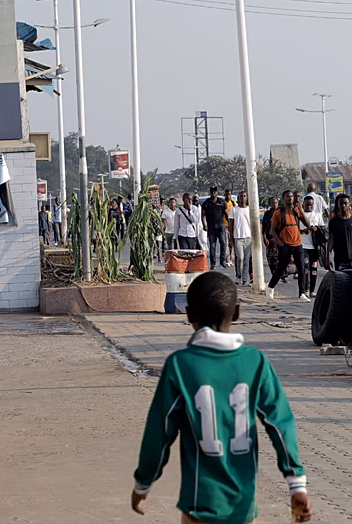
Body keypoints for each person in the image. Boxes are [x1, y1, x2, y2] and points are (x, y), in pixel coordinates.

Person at [130, 272, 313, 524]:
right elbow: (280, 425)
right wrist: (296, 485)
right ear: (238, 312)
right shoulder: (255, 362)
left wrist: (143, 482)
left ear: (189, 314)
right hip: (243, 505)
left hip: (199, 504)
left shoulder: (180, 365)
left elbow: (159, 432)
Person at [267, 191, 312, 302]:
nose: (291, 198)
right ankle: (270, 287)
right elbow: (272, 231)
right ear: (283, 198)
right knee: (281, 268)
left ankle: (301, 293)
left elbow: (308, 224)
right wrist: (280, 244)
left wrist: (301, 210)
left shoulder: (297, 211)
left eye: (292, 196)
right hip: (285, 245)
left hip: (297, 244)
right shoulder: (279, 212)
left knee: (301, 269)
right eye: (288, 197)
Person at [325, 193, 352, 271]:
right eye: (341, 203)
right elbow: (331, 240)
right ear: (338, 205)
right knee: (340, 282)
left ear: (349, 204)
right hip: (340, 261)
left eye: (345, 203)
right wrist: (328, 258)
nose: (343, 206)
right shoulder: (334, 221)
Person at [300, 195, 326, 298]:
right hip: (303, 245)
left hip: (315, 246)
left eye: (311, 205)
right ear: (303, 204)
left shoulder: (317, 215)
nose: (309, 207)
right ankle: (306, 289)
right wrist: (303, 231)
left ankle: (312, 290)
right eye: (307, 205)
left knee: (313, 269)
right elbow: (295, 230)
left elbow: (323, 229)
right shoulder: (300, 215)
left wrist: (316, 229)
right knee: (305, 268)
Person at [229, 192, 253, 286]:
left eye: (244, 196)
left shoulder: (249, 209)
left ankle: (244, 278)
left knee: (247, 259)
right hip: (238, 237)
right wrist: (231, 238)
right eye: (241, 196)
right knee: (240, 258)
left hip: (248, 237)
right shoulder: (234, 210)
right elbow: (231, 224)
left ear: (246, 198)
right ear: (238, 198)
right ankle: (238, 275)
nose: (242, 198)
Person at [202, 186, 229, 270]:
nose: (213, 193)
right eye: (212, 192)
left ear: (217, 192)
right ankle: (213, 263)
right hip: (211, 227)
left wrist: (228, 225)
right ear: (210, 193)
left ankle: (222, 261)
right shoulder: (206, 202)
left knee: (223, 243)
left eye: (215, 191)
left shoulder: (221, 201)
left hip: (220, 226)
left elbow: (226, 213)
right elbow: (202, 215)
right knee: (212, 246)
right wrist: (204, 225)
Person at [261, 197, 280, 278]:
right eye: (273, 203)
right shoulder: (267, 214)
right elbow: (264, 227)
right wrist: (264, 237)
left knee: (280, 257)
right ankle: (273, 274)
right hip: (270, 238)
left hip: (279, 238)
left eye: (276, 202)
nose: (274, 204)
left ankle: (281, 274)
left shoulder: (281, 212)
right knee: (270, 258)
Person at [223, 189, 235, 267]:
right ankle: (227, 260)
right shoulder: (223, 203)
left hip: (232, 226)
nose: (228, 196)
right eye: (226, 194)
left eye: (229, 194)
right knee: (226, 243)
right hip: (225, 225)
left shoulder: (233, 203)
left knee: (232, 243)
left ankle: (231, 258)